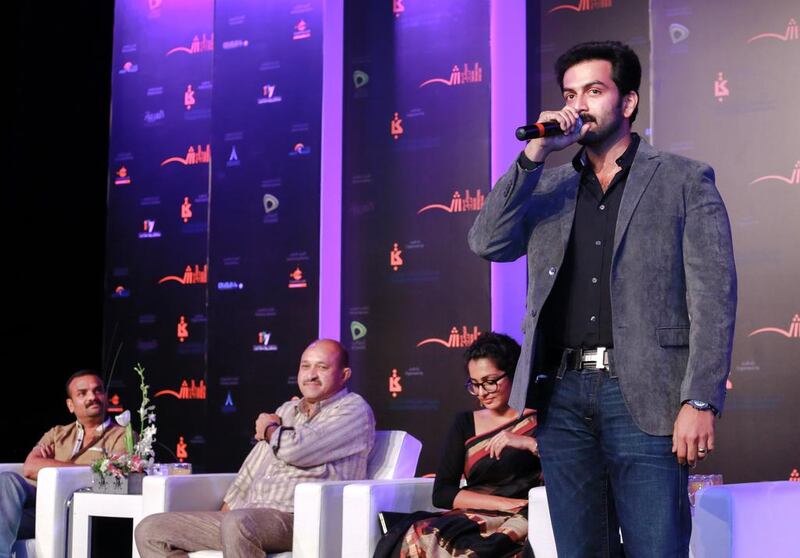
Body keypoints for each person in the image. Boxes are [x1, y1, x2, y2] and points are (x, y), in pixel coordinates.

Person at [469, 41, 736, 557]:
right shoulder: (547, 185)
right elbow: (487, 242)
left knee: (656, 547)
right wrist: (534, 153)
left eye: (594, 90)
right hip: (562, 396)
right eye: (570, 93)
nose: (579, 104)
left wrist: (700, 399)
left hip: (644, 394)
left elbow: (714, 297)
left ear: (628, 102)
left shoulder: (683, 179)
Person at [135, 339, 376, 557]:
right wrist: (227, 507)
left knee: (238, 524)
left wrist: (270, 427)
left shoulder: (353, 410)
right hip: (249, 517)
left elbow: (298, 449)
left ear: (344, 375)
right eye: (305, 366)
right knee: (151, 530)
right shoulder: (286, 411)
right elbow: (254, 465)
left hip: (302, 518)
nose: (311, 375)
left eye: (322, 367)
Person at [374, 332, 541, 558]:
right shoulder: (465, 422)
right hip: (474, 516)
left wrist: (529, 443)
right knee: (423, 534)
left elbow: (566, 470)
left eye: (490, 382)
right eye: (475, 384)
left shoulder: (541, 420)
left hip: (525, 516)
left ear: (515, 374)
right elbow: (443, 493)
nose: (482, 392)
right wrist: (505, 504)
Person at [0, 370, 127, 557]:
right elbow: (30, 468)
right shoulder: (58, 433)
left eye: (98, 390)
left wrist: (50, 464)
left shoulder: (122, 435)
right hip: (37, 510)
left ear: (106, 397)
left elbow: (114, 476)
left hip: (76, 512)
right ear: (70, 405)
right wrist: (94, 466)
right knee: (7, 480)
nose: (92, 397)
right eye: (82, 393)